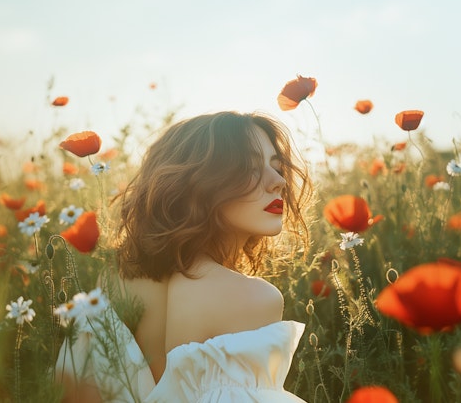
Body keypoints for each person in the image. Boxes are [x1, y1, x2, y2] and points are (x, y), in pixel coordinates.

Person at [55, 111, 312, 402]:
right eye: (250, 168)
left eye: (276, 167)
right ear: (197, 183)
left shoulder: (114, 280)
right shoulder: (255, 298)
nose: (278, 181)